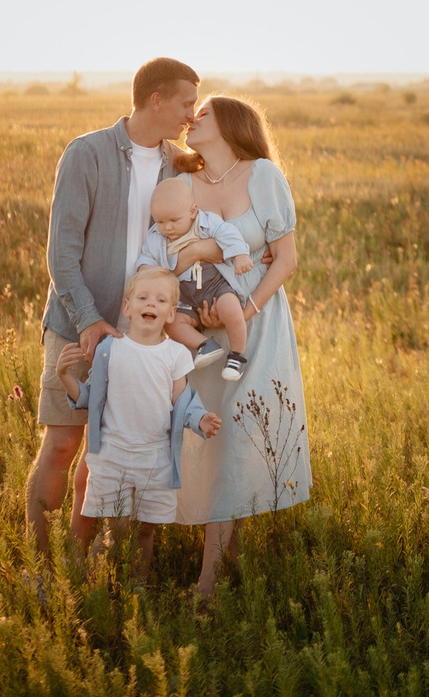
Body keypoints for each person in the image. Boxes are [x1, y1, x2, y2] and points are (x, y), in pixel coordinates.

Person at [25, 56, 201, 548]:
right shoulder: (87, 153)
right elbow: (61, 254)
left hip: (142, 336)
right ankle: (41, 568)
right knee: (63, 445)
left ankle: (92, 562)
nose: (192, 114)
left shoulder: (179, 166)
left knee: (111, 457)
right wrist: (87, 320)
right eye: (186, 103)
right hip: (77, 322)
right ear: (156, 99)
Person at [171, 93, 310, 599]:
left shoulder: (263, 175)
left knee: (241, 437)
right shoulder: (182, 183)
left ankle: (207, 585)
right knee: (214, 440)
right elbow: (169, 252)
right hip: (200, 333)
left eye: (202, 114)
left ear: (229, 124)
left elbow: (286, 259)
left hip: (256, 326)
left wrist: (244, 312)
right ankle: (230, 561)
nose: (192, 119)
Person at [55, 265, 223, 573]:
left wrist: (200, 420)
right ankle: (113, 583)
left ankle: (138, 585)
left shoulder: (175, 355)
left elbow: (182, 401)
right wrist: (64, 375)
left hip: (155, 456)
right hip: (113, 454)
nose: (150, 304)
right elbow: (91, 397)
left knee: (145, 530)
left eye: (160, 301)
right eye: (143, 297)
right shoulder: (110, 350)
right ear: (127, 307)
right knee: (117, 528)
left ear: (171, 314)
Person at [138, 174, 256, 381]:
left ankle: (237, 356)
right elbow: (146, 258)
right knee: (171, 323)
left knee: (231, 309)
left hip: (215, 285)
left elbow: (227, 233)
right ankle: (205, 344)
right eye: (160, 221)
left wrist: (240, 255)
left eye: (174, 220)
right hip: (183, 295)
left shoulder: (205, 222)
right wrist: (146, 270)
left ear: (192, 211)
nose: (167, 228)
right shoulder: (155, 237)